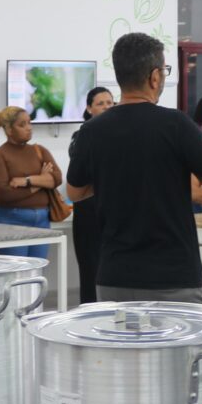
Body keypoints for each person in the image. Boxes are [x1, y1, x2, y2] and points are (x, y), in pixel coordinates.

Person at [66, 32, 202, 302]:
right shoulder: (177, 125)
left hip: (115, 275)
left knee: (119, 333)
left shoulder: (92, 131)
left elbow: (75, 192)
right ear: (154, 77)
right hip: (173, 276)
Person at [0, 107, 60, 259]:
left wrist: (27, 181)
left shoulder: (40, 150)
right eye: (22, 124)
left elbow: (57, 178)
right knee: (17, 271)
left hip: (42, 220)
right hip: (12, 220)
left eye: (29, 122)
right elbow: (7, 194)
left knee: (37, 269)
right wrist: (41, 181)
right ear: (9, 129)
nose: (29, 128)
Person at [70, 87, 114, 303]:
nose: (106, 107)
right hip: (88, 210)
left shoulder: (120, 133)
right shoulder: (82, 136)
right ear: (89, 108)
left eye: (110, 103)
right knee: (90, 269)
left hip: (113, 210)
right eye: (100, 103)